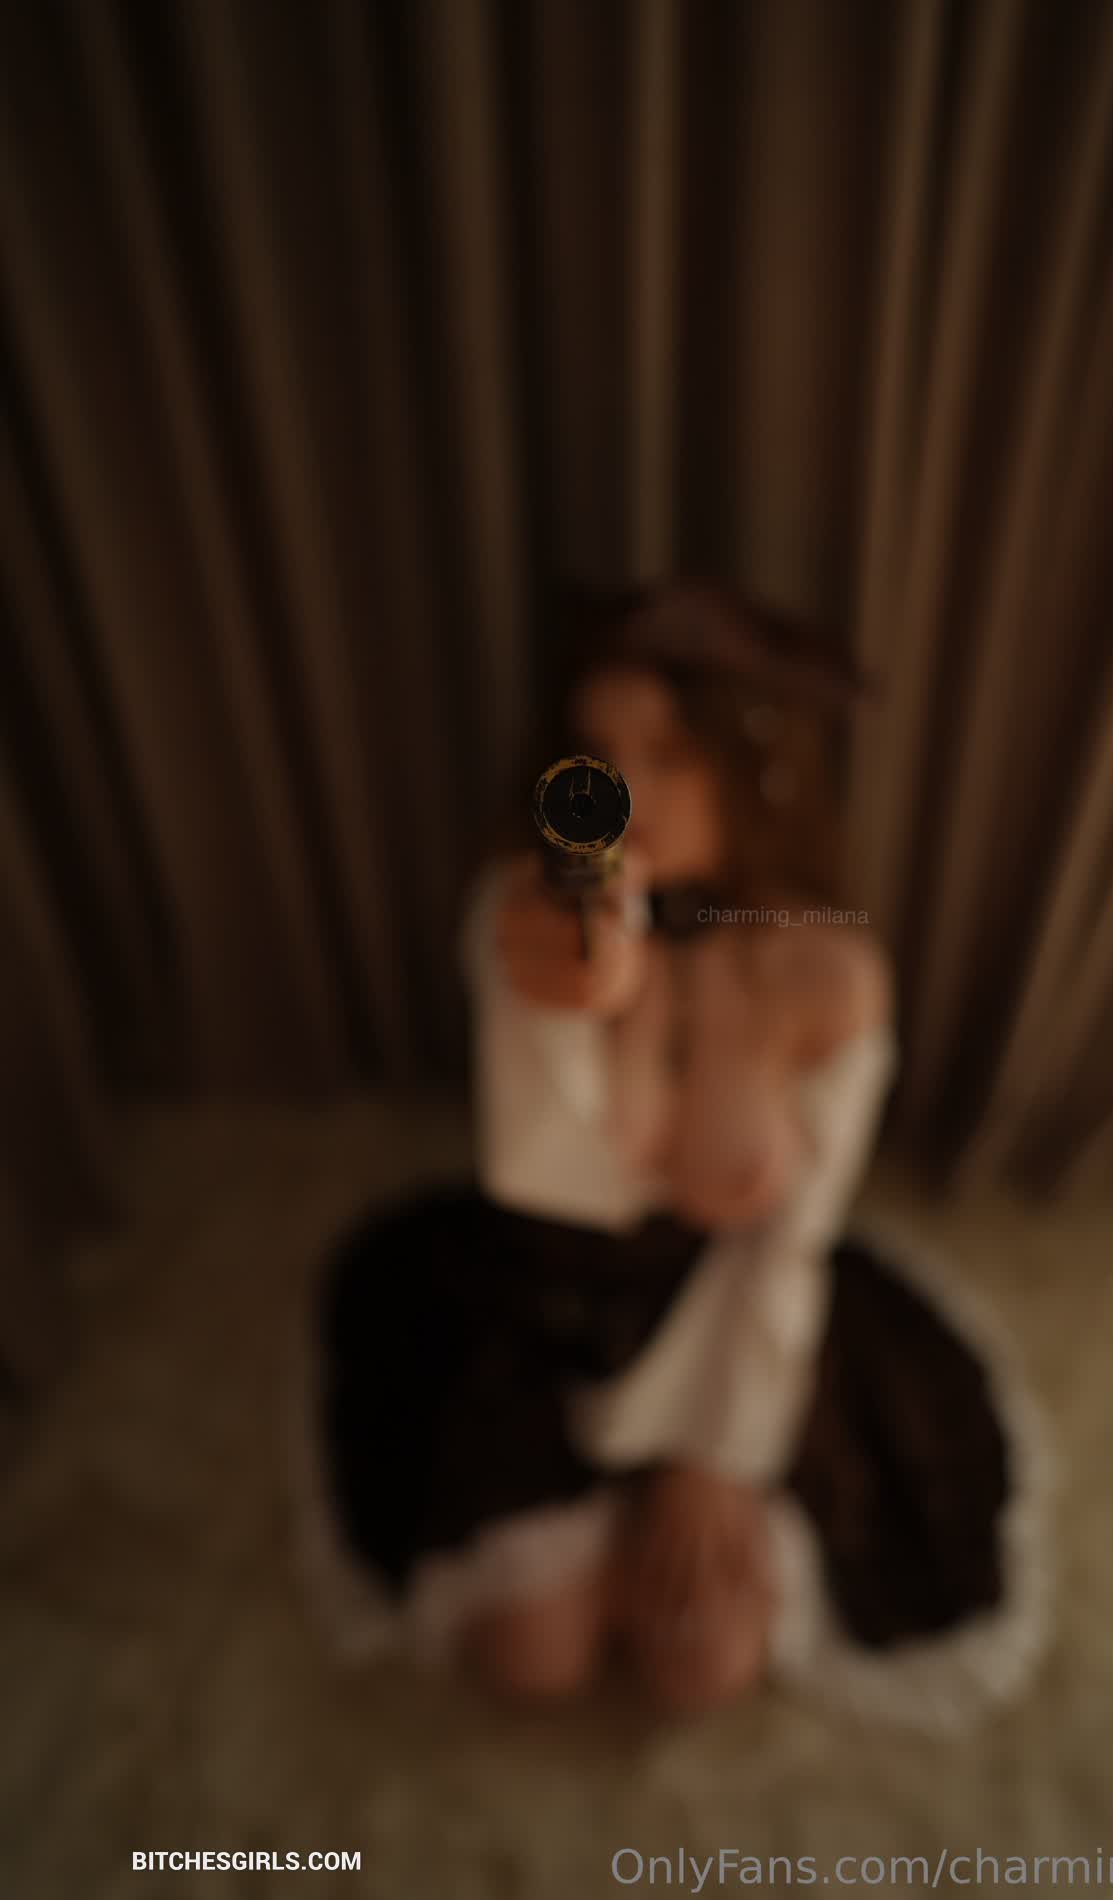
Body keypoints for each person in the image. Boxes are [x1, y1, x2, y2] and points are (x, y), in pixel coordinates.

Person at [289, 581, 1053, 1729]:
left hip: (723, 1312)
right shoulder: (527, 906)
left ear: (759, 766)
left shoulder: (828, 968)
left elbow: (789, 1239)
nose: (627, 787)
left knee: (704, 1660)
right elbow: (544, 1159)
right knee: (533, 1656)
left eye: (669, 752)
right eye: (599, 753)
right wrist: (593, 990)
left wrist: (720, 1455)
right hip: (535, 1310)